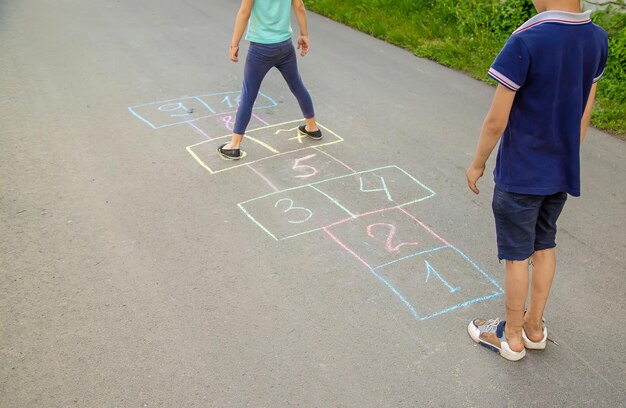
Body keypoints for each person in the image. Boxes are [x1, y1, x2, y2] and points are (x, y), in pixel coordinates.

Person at [465, 0, 608, 361]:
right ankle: (534, 327)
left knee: (517, 255)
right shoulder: (596, 37)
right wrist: (565, 155)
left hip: (521, 173)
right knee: (545, 244)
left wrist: (478, 162)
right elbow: (584, 111)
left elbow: (496, 120)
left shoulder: (527, 39)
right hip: (560, 170)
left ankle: (511, 337)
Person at [218, 0, 322, 160]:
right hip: (285, 46)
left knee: (248, 93)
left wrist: (234, 44)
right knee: (297, 85)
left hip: (260, 49)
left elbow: (244, 12)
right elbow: (299, 6)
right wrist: (304, 34)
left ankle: (234, 145)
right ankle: (312, 127)